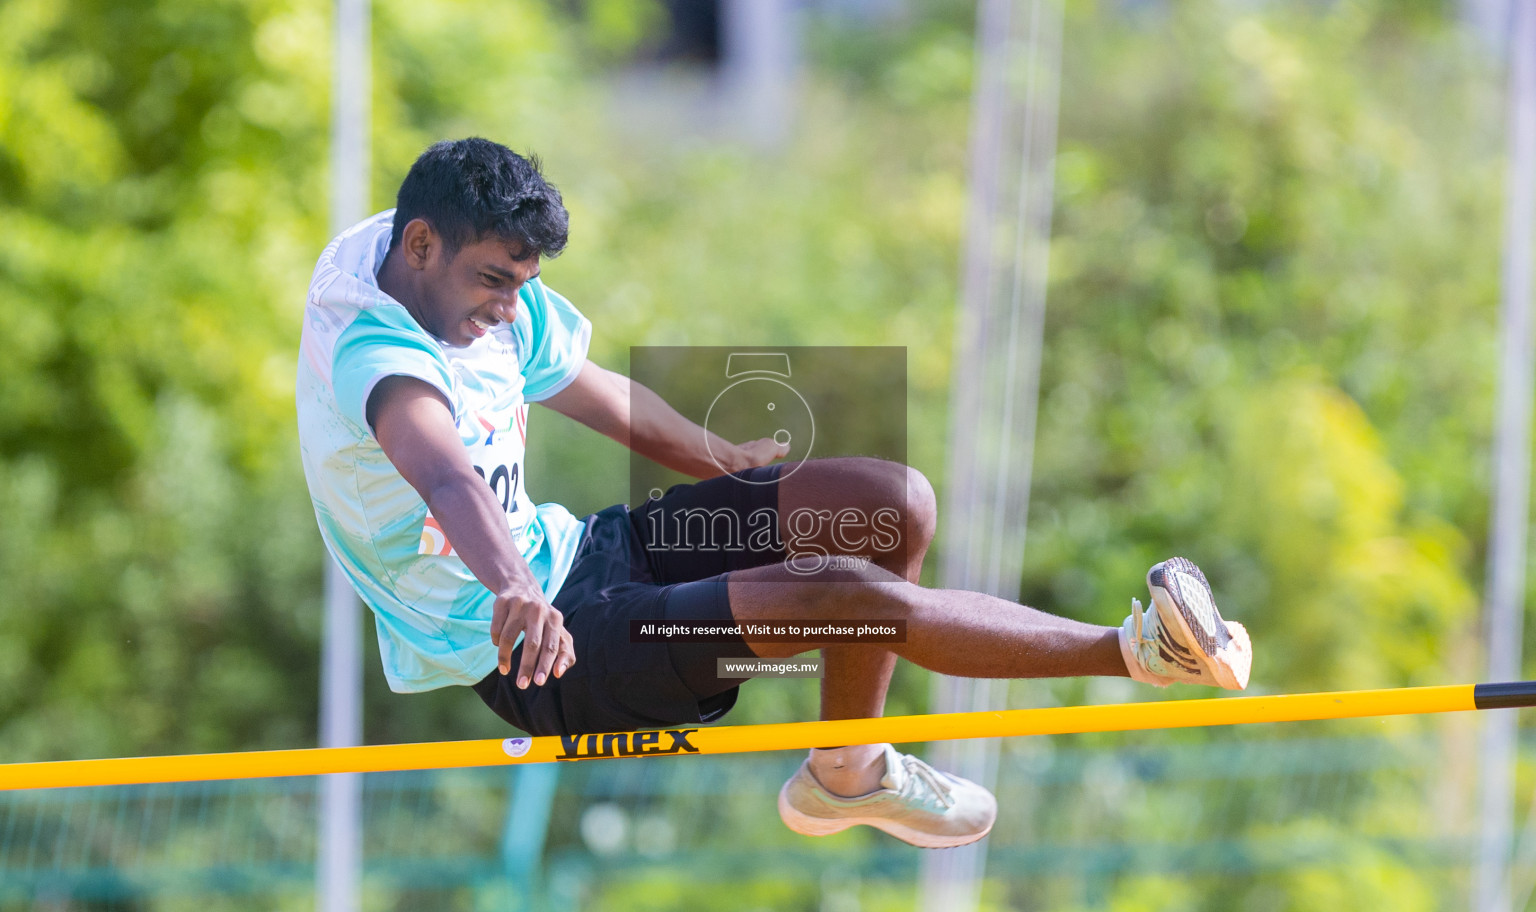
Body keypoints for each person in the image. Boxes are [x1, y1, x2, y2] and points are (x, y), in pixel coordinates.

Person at [297, 137, 1253, 850]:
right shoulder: (375, 349)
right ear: (419, 245)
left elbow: (605, 397)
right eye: (493, 284)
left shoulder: (455, 255)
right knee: (843, 592)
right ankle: (1141, 654)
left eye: (521, 285)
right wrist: (514, 589)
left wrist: (720, 459)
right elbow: (444, 474)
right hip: (531, 653)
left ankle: (847, 772)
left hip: (579, 554)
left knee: (893, 503)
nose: (508, 308)